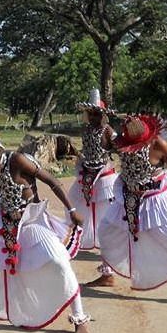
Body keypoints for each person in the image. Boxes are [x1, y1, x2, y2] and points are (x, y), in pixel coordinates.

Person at [0, 132, 91, 333]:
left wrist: (72, 209)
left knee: (59, 262)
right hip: (6, 223)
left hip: (32, 222)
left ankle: (80, 318)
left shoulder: (18, 160)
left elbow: (52, 181)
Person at [97, 114, 167, 309]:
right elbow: (107, 145)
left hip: (158, 202)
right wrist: (103, 126)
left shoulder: (160, 145)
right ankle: (107, 275)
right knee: (106, 231)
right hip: (129, 200)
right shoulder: (122, 142)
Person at [68, 89, 118, 286]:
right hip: (86, 177)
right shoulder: (86, 130)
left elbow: (117, 145)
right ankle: (106, 271)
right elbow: (88, 150)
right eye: (92, 113)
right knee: (79, 215)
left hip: (104, 180)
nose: (95, 117)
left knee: (106, 224)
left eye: (98, 113)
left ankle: (108, 272)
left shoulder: (107, 129)